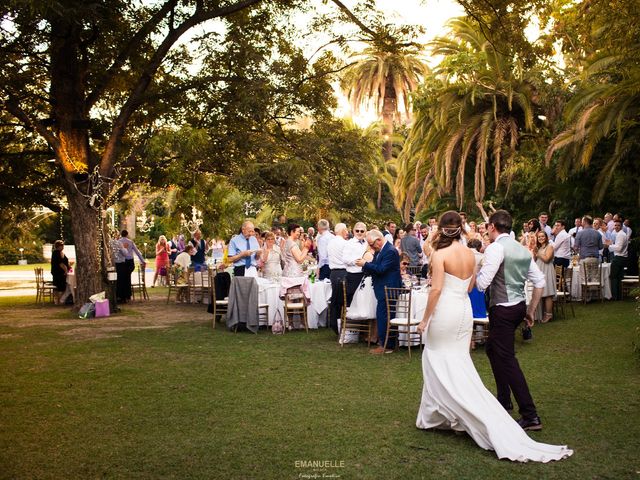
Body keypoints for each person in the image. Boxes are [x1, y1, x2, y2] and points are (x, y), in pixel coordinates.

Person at [416, 211, 572, 462]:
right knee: (473, 357)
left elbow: (455, 287)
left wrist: (425, 318)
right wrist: (530, 309)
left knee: (450, 357)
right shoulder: (485, 253)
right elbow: (474, 286)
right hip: (479, 309)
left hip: (466, 309)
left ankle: (519, 412)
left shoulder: (461, 253)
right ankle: (488, 404)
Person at [475, 210, 546, 430]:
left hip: (503, 309)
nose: (487, 231)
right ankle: (504, 400)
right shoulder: (522, 250)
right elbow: (539, 281)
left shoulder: (496, 248)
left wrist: (474, 270)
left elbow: (482, 284)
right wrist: (531, 310)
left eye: (487, 227)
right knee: (492, 349)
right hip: (518, 307)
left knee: (507, 358)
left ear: (492, 227)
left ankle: (530, 414)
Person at [356, 229, 402, 354]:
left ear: (379, 240)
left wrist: (365, 264)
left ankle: (386, 345)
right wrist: (365, 266)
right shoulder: (380, 250)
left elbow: (381, 269)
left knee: (385, 316)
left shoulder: (390, 251)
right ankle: (387, 343)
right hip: (382, 288)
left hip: (389, 288)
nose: (370, 247)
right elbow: (375, 267)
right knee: (384, 316)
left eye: (371, 244)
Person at [327, 223, 349, 334]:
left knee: (335, 300)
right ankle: (340, 325)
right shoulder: (345, 243)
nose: (348, 232)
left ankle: (334, 324)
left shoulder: (330, 243)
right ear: (343, 231)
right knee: (343, 300)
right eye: (346, 230)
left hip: (333, 273)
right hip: (343, 272)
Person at [342, 222, 369, 306]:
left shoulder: (367, 243)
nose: (359, 233)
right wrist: (357, 262)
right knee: (351, 298)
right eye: (357, 231)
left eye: (362, 231)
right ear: (353, 231)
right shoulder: (349, 243)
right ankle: (349, 317)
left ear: (365, 232)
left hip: (365, 275)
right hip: (353, 275)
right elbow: (345, 259)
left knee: (364, 299)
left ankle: (363, 318)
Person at [533, 231, 556, 323]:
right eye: (539, 237)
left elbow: (547, 259)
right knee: (542, 293)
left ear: (546, 237)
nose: (541, 238)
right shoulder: (539, 247)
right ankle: (543, 313)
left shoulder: (549, 246)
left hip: (547, 271)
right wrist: (534, 253)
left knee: (548, 293)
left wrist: (537, 253)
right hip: (540, 271)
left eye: (542, 236)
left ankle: (549, 314)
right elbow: (535, 260)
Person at [118, 230, 145, 304]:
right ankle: (128, 295)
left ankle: (123, 296)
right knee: (128, 278)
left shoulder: (118, 242)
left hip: (122, 262)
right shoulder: (130, 242)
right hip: (130, 262)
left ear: (121, 234)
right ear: (127, 234)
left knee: (123, 279)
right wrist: (142, 260)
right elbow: (137, 252)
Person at [607, 219, 629, 300]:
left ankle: (615, 296)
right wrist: (612, 245)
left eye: (618, 225)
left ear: (621, 226)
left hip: (619, 258)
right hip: (622, 258)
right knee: (619, 277)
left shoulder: (620, 235)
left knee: (613, 277)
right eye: (615, 225)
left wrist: (609, 246)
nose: (616, 227)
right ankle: (619, 296)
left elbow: (619, 248)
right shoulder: (621, 234)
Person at [50, 240, 70, 304]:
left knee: (62, 286)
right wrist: (66, 270)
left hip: (61, 272)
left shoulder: (61, 253)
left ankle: (61, 299)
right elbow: (60, 263)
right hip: (58, 272)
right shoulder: (56, 253)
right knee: (58, 286)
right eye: (62, 245)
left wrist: (69, 266)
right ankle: (58, 300)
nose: (63, 247)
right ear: (58, 246)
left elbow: (65, 262)